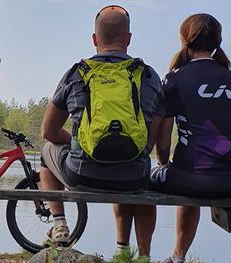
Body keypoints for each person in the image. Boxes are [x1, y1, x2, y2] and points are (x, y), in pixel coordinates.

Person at [39, 5, 164, 258]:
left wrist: (78, 141)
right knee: (133, 168)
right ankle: (141, 256)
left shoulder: (77, 73)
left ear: (95, 39)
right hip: (134, 178)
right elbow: (154, 137)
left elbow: (49, 132)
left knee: (45, 153)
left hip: (82, 173)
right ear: (128, 39)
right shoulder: (149, 76)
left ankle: (60, 223)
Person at [150, 13, 231, 263]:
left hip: (190, 178)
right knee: (190, 169)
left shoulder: (175, 79)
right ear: (217, 41)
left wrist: (163, 164)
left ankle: (145, 254)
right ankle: (177, 256)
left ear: (185, 39)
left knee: (145, 176)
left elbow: (162, 142)